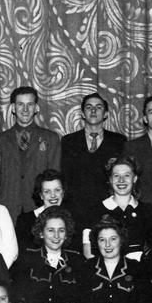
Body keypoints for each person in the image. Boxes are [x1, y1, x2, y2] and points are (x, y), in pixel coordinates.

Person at [0, 86, 61, 221]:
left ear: (36, 108)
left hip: (38, 209)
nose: (25, 109)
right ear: (13, 108)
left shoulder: (51, 138)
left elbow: (54, 176)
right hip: (7, 209)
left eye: (30, 104)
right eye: (20, 104)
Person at [60, 92, 127, 227]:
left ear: (106, 114)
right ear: (83, 113)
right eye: (89, 107)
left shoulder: (119, 141)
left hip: (108, 208)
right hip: (76, 209)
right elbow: (65, 177)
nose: (93, 110)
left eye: (99, 107)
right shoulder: (69, 141)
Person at [81, 156, 152, 258]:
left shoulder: (147, 210)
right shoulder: (95, 210)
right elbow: (88, 252)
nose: (121, 180)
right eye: (116, 176)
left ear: (134, 179)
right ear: (110, 180)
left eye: (126, 175)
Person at [14, 170, 69, 253]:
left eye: (57, 190)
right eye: (47, 191)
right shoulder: (24, 221)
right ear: (41, 195)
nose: (53, 195)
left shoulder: (72, 219)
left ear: (63, 193)